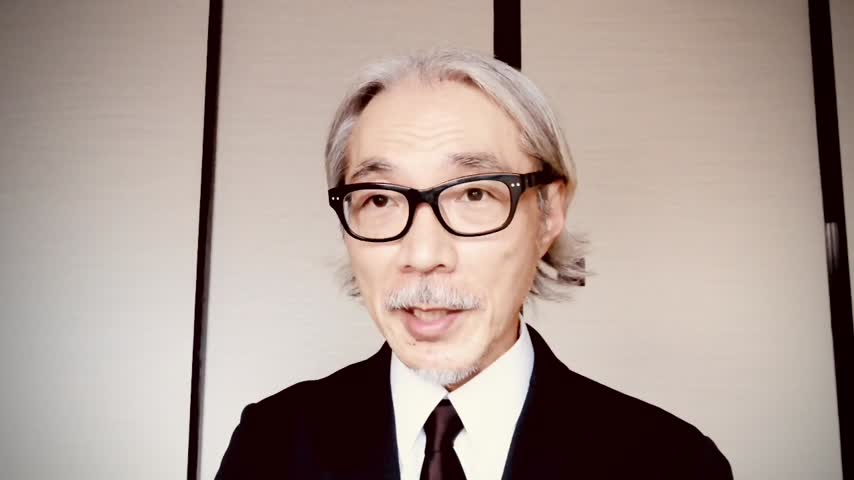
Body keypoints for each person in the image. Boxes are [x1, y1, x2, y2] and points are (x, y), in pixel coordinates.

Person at [216, 48, 733, 479]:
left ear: (548, 212)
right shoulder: (270, 446)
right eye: (379, 199)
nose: (423, 255)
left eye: (475, 194)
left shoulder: (672, 463)